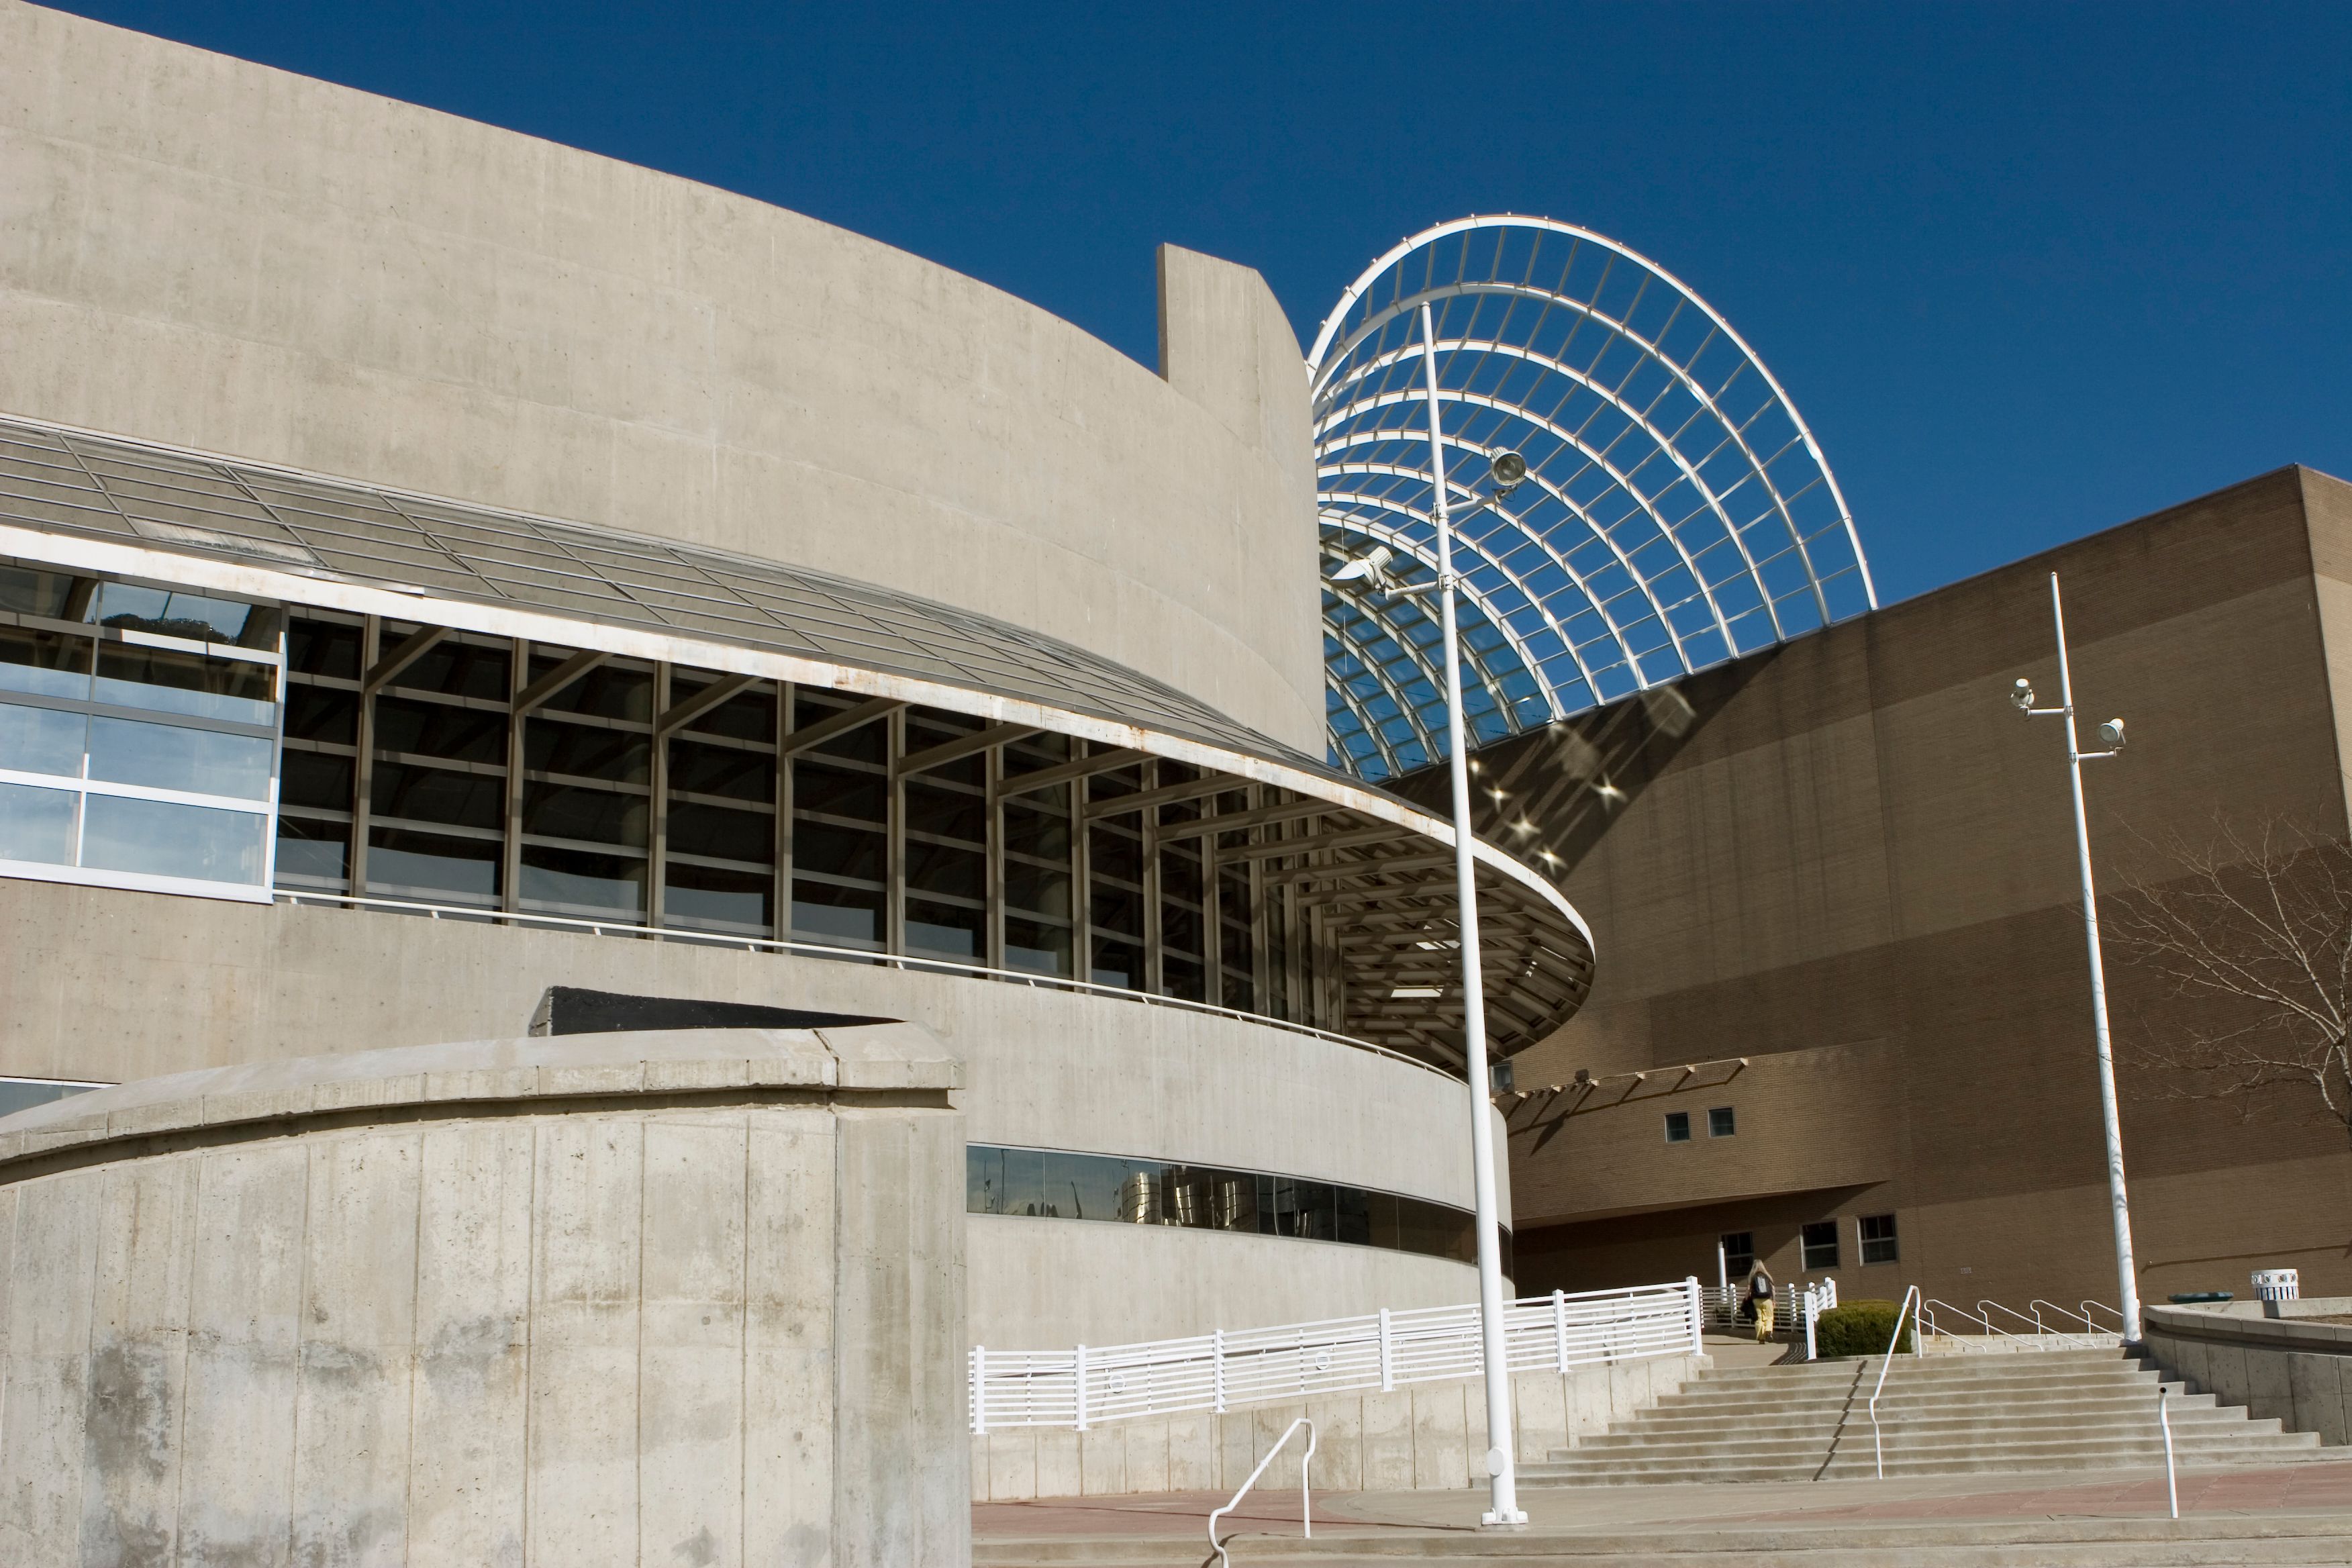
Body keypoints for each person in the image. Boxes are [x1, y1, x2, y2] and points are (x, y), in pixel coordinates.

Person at [1747, 1261, 1777, 1344]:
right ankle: (1768, 1330)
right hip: (1767, 1300)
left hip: (1756, 1300)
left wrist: (1746, 1298)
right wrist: (1773, 1300)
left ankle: (1761, 1338)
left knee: (1759, 1319)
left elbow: (1749, 1289)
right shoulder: (1768, 1276)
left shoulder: (1752, 1277)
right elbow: (1773, 1289)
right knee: (1769, 1317)